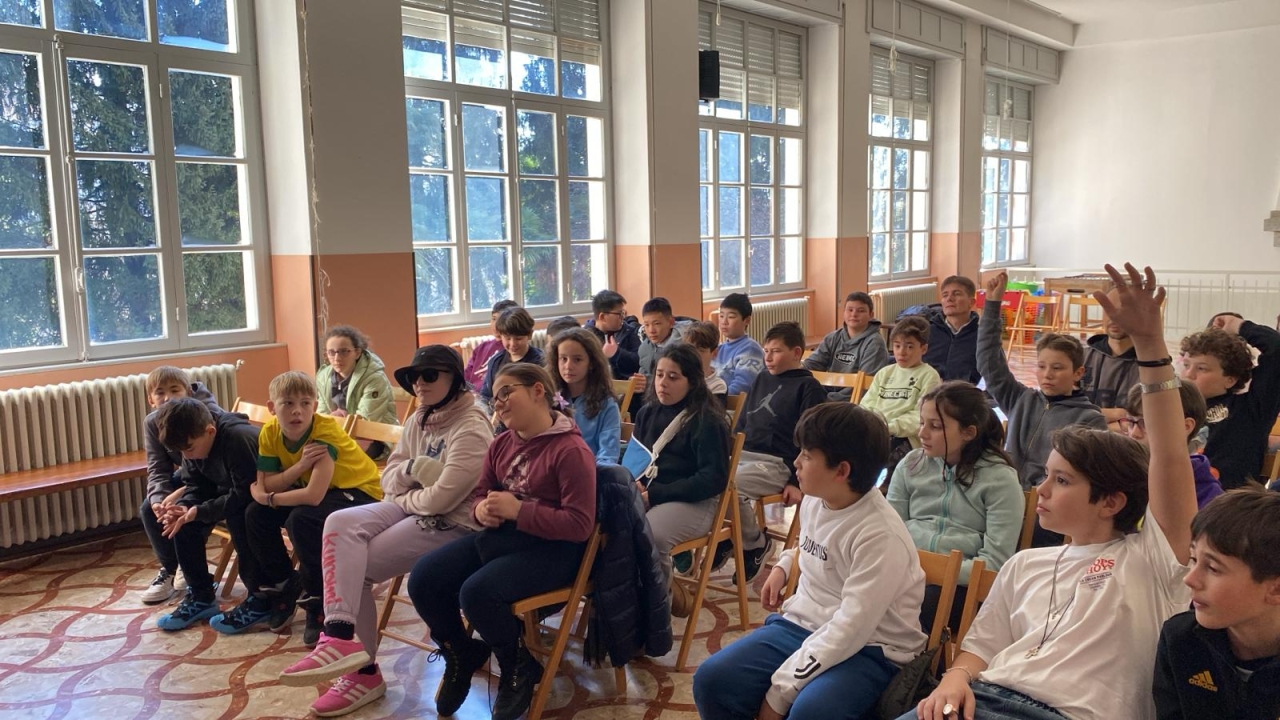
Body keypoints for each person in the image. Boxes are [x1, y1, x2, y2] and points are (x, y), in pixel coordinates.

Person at [903, 263, 1199, 720]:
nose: (1039, 489)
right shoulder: (1024, 565)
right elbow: (980, 648)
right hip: (986, 697)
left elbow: (1170, 455)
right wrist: (954, 677)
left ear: (1112, 501)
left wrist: (1149, 345)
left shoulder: (1152, 560)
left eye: (1061, 480)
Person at [276, 346, 492, 717]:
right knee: (338, 522)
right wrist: (412, 472)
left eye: (429, 375)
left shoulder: (471, 427)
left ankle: (363, 674)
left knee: (358, 567)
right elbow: (389, 479)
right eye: (413, 377)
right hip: (416, 506)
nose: (419, 384)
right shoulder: (421, 416)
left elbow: (443, 499)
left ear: (455, 379)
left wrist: (406, 493)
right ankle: (339, 634)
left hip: (455, 523)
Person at [694, 402, 926, 720]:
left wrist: (780, 693)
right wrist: (786, 563)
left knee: (812, 712)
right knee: (713, 680)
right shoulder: (817, 499)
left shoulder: (881, 535)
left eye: (806, 455)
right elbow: (818, 548)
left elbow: (852, 627)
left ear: (841, 471)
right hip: (804, 625)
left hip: (872, 648)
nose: (796, 462)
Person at [408, 363, 596, 720]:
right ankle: (460, 652)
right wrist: (482, 510)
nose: (499, 403)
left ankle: (516, 665)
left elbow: (580, 525)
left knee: (478, 593)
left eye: (507, 392)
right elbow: (482, 493)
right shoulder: (501, 444)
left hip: (555, 551)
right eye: (495, 398)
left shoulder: (571, 450)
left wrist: (519, 510)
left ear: (538, 391)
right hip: (504, 540)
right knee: (424, 578)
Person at [209, 372, 382, 645]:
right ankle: (284, 585)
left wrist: (269, 498)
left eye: (305, 403)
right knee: (254, 514)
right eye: (288, 403)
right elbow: (267, 483)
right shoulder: (270, 431)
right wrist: (299, 467)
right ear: (272, 407)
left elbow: (312, 496)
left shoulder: (324, 433)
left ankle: (319, 599)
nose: (297, 411)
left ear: (315, 406)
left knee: (301, 520)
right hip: (321, 490)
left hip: (360, 492)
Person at [978, 273, 1108, 545]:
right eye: (1041, 366)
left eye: (1057, 368)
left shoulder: (1089, 419)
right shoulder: (1021, 399)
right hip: (1007, 497)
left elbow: (1079, 479)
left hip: (1049, 511)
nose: (1047, 374)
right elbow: (989, 361)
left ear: (1078, 373)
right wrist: (992, 304)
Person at [888, 381, 1023, 635]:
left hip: (962, 586)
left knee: (920, 605)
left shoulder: (1000, 479)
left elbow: (994, 563)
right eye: (921, 423)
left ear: (968, 433)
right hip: (906, 573)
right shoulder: (911, 464)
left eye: (935, 426)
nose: (922, 433)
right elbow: (889, 531)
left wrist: (934, 570)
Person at [1153, 487, 1280, 720]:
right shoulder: (1181, 640)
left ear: (1275, 589)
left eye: (1213, 568)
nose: (1189, 579)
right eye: (1193, 559)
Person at [632, 344, 732, 617]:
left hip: (695, 502)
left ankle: (655, 614)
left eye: (673, 377)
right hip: (651, 496)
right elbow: (637, 459)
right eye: (659, 375)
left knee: (650, 534)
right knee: (610, 529)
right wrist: (635, 482)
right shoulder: (646, 413)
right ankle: (632, 603)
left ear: (692, 381)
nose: (663, 383)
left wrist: (656, 495)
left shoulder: (707, 421)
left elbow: (712, 479)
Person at [727, 321, 827, 582]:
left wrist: (796, 480)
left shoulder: (809, 387)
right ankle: (727, 538)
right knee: (709, 477)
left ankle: (755, 543)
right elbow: (742, 421)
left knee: (728, 486)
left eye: (776, 351)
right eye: (765, 351)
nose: (768, 357)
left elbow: (812, 441)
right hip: (744, 455)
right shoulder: (762, 377)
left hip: (778, 463)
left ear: (796, 353)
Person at [153, 398, 259, 630]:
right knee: (182, 523)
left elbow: (245, 494)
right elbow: (195, 486)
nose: (186, 456)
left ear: (210, 431)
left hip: (259, 498)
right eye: (181, 451)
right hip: (230, 493)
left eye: (189, 449)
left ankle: (260, 596)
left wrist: (200, 510)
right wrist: (184, 507)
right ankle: (201, 597)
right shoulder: (193, 444)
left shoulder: (237, 439)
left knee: (241, 517)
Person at [139, 366, 224, 604]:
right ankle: (171, 568)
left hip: (215, 476)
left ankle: (190, 570)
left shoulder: (206, 414)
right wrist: (159, 499)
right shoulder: (152, 423)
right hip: (189, 475)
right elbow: (157, 468)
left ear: (188, 392)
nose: (168, 397)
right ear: (151, 400)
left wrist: (182, 492)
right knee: (149, 509)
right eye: (160, 393)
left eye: (175, 390)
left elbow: (216, 465)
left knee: (184, 512)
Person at [1179, 315, 1280, 489]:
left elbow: (1276, 350)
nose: (1189, 374)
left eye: (1202, 368)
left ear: (1230, 379)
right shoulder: (1172, 408)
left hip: (1227, 501)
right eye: (1186, 365)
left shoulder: (1249, 409)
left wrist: (1240, 326)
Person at [860, 316, 942, 478]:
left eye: (909, 346)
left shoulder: (929, 376)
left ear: (923, 349)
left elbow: (920, 417)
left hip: (905, 438)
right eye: (897, 346)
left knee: (879, 462)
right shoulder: (885, 373)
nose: (902, 352)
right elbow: (867, 404)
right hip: (876, 431)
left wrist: (890, 427)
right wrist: (869, 425)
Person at [1121, 381, 1224, 509]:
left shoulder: (1206, 494)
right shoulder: (1121, 472)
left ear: (1185, 427)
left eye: (1146, 423)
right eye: (1131, 422)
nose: (1134, 433)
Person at [315, 326, 398, 459]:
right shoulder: (323, 377)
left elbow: (365, 421)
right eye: (331, 352)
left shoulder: (374, 378)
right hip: (339, 434)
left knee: (331, 454)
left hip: (374, 438)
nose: (337, 358)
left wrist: (336, 419)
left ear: (357, 353)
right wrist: (334, 419)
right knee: (310, 449)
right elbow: (321, 418)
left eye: (344, 352)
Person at [545, 328, 621, 464]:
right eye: (563, 359)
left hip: (591, 471)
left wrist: (587, 472)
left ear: (591, 363)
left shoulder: (606, 404)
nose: (568, 366)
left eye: (577, 360)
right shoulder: (547, 398)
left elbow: (608, 455)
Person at [804, 291, 890, 400]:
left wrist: (828, 401)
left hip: (853, 400)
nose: (854, 314)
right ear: (844, 312)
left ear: (871, 315)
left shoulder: (875, 343)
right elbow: (813, 364)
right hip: (828, 393)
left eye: (861, 311)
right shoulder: (832, 337)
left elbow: (865, 385)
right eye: (850, 310)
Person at [1081, 288, 1142, 422]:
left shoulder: (1152, 367)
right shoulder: (1080, 358)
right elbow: (1063, 411)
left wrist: (1085, 417)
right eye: (1108, 310)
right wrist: (1118, 414)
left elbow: (1142, 423)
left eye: (1122, 311)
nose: (1114, 317)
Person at [479, 306, 544, 411]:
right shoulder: (495, 362)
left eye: (518, 338)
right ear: (500, 336)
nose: (513, 344)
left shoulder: (540, 362)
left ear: (530, 335)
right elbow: (485, 396)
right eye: (507, 338)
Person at [923, 276, 982, 384]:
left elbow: (994, 375)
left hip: (965, 392)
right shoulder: (927, 332)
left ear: (971, 302)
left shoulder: (982, 336)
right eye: (945, 295)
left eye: (957, 294)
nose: (949, 299)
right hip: (928, 390)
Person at [713, 293, 766, 397]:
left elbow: (742, 386)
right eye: (721, 316)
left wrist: (714, 400)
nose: (724, 322)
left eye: (731, 317)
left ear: (747, 320)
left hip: (731, 404)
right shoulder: (718, 348)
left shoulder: (750, 349)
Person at [585, 289, 641, 380]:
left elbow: (638, 363)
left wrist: (617, 353)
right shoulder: (585, 338)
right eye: (619, 314)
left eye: (623, 313)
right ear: (602, 317)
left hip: (626, 386)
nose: (622, 317)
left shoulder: (628, 331)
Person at [463, 299, 520, 389]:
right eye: (494, 319)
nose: (496, 325)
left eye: (501, 320)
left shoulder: (513, 349)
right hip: (471, 394)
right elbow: (465, 377)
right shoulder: (481, 348)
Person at [684, 320, 728, 400]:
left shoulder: (718, 386)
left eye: (701, 350)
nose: (694, 354)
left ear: (714, 353)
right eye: (690, 349)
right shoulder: (679, 378)